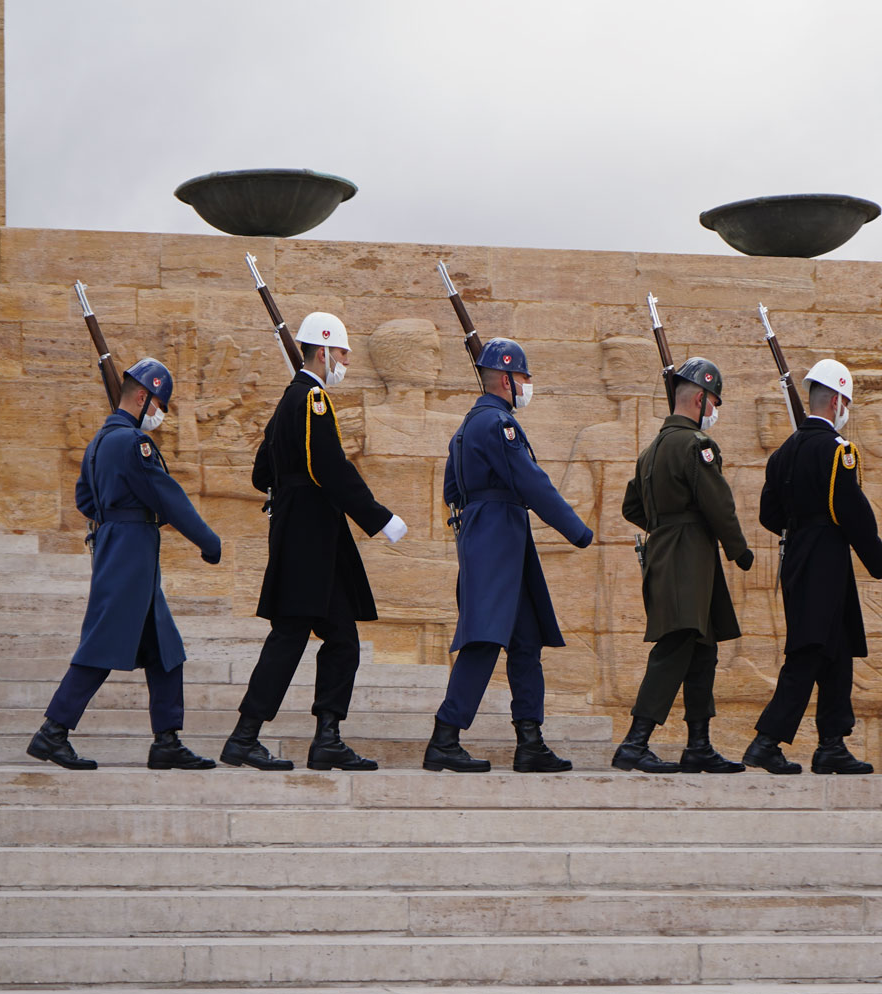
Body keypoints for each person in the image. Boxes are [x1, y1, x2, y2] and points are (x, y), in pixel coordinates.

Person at [221, 312, 407, 772]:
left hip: (310, 534)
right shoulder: (311, 399)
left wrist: (286, 489)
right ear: (323, 351)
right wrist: (379, 517)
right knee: (289, 635)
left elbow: (261, 471)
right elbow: (329, 466)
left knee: (343, 636)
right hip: (310, 536)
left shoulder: (291, 400)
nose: (346, 360)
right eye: (342, 352)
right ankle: (244, 737)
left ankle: (328, 737)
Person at [27, 358, 222, 770]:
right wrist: (208, 541)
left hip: (117, 545)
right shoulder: (134, 444)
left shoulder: (99, 442)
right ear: (142, 396)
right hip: (131, 550)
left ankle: (166, 740)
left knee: (165, 647)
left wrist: (116, 514)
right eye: (159, 405)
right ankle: (53, 731)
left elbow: (84, 499)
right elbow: (166, 495)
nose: (160, 414)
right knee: (102, 642)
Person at [423, 338, 593, 773]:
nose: (528, 384)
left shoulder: (465, 428)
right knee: (483, 638)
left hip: (490, 536)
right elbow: (532, 482)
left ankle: (530, 741)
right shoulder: (499, 424)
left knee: (524, 640)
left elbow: (451, 493)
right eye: (523, 376)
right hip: (500, 535)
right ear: (505, 378)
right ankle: (445, 736)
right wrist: (577, 530)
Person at [744, 359, 882, 775]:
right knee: (809, 650)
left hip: (798, 557)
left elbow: (769, 515)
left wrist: (802, 522)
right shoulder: (838, 451)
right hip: (826, 559)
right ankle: (766, 741)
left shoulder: (782, 453)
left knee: (837, 650)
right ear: (838, 401)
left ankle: (832, 743)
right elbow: (855, 515)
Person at [613, 357, 754, 774]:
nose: (714, 410)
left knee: (702, 649)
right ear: (698, 398)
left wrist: (663, 524)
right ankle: (634, 744)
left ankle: (699, 744)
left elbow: (631, 505)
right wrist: (739, 549)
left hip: (667, 550)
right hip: (689, 556)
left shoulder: (651, 450)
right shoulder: (697, 446)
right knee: (676, 645)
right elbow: (719, 504)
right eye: (713, 402)